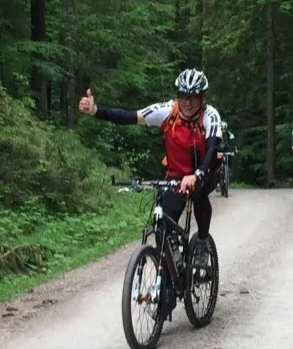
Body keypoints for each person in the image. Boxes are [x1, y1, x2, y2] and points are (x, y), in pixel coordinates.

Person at [78, 68, 222, 273]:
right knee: (162, 225)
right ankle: (171, 273)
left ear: (202, 99)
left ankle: (202, 241)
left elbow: (212, 148)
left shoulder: (210, 116)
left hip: (204, 172)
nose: (188, 103)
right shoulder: (167, 112)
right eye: (183, 97)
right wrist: (96, 111)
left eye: (193, 97)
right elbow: (130, 116)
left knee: (199, 194)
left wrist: (197, 175)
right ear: (177, 96)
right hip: (175, 175)